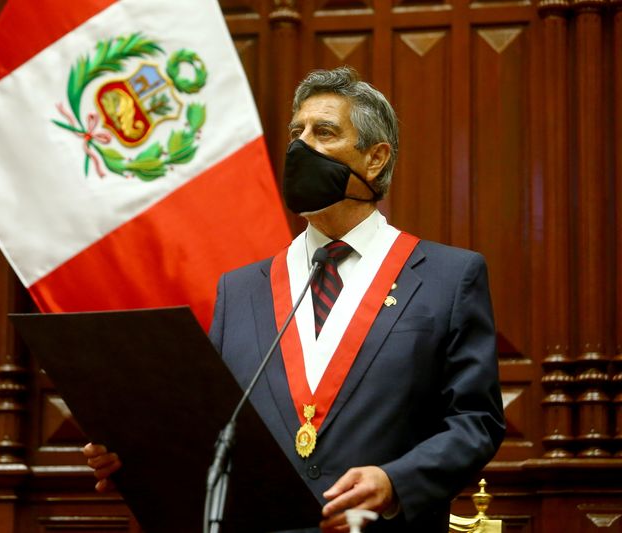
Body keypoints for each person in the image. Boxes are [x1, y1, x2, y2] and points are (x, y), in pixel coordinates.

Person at [84, 66, 505, 532]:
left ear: (375, 159)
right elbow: (218, 430)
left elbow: (476, 422)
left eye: (323, 132)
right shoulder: (241, 289)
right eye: (295, 132)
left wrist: (395, 482)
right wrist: (138, 456)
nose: (300, 147)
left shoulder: (448, 277)